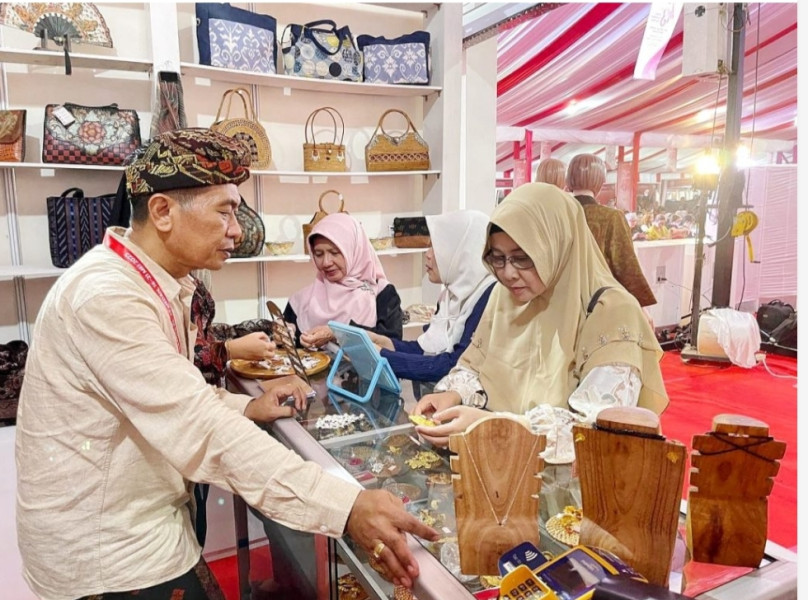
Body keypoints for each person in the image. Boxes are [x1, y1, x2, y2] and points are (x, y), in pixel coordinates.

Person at [15, 129, 436, 600]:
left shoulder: (156, 283)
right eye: (224, 211)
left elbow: (174, 392)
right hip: (109, 554)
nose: (237, 230)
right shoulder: (108, 297)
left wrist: (245, 407)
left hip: (138, 528)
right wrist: (347, 506)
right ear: (163, 212)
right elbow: (198, 426)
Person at [412, 183, 669, 464]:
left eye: (522, 258)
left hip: (567, 482)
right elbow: (475, 364)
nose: (508, 273)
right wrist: (453, 394)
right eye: (498, 258)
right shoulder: (504, 297)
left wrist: (491, 426)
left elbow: (593, 430)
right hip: (500, 469)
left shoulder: (613, 312)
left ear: (556, 245)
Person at [368, 211, 496, 398]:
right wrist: (386, 344)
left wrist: (384, 356)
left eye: (436, 247)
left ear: (462, 251)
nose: (427, 255)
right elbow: (426, 348)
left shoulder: (488, 297)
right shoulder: (450, 296)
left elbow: (456, 365)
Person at [284, 212, 404, 348]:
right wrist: (282, 336)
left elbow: (392, 346)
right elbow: (288, 346)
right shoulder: (302, 300)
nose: (326, 262)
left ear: (354, 250)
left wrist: (337, 334)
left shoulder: (382, 294)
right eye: (318, 254)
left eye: (335, 253)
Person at [566, 153, 657, 307]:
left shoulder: (557, 215)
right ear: (600, 181)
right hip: (597, 301)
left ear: (569, 179)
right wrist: (640, 304)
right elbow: (625, 265)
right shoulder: (611, 217)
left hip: (561, 300)